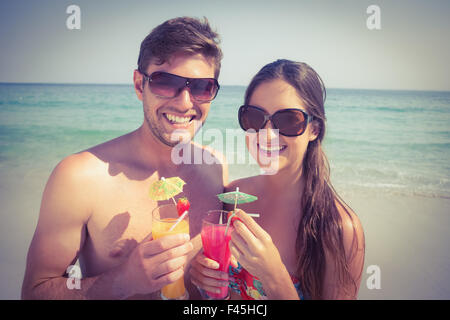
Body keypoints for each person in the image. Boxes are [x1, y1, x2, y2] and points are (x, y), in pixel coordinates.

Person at [22, 16, 227, 299]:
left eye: (202, 87)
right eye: (166, 82)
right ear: (138, 84)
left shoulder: (216, 167)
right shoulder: (80, 177)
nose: (184, 102)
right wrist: (123, 281)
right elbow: (35, 291)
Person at [190, 59, 365, 300]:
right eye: (254, 117)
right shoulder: (232, 198)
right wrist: (205, 279)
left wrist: (275, 277)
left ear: (314, 129)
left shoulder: (339, 228)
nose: (268, 134)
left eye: (288, 120)